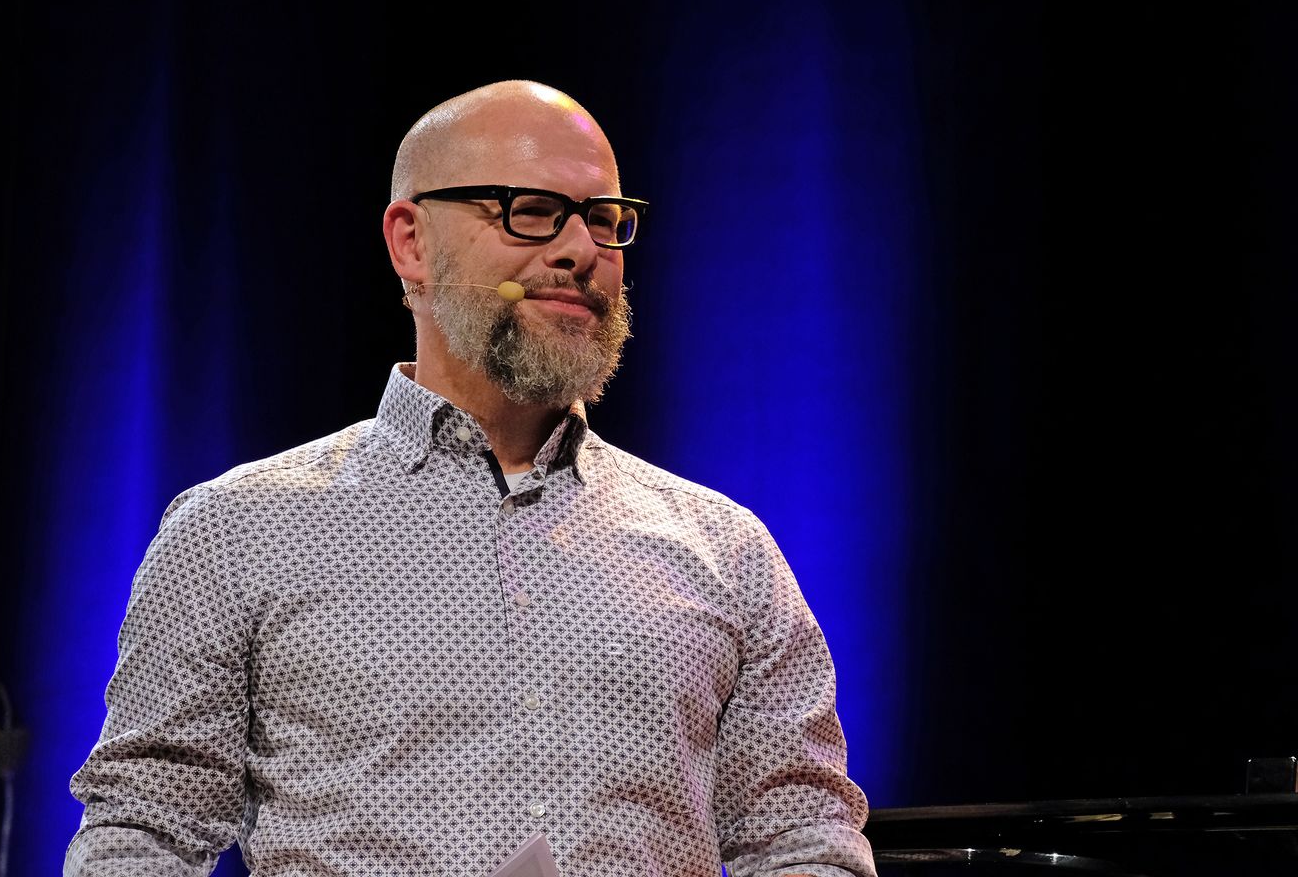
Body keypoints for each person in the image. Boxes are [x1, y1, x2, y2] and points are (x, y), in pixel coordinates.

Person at [65, 80, 877, 877]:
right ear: (411, 243)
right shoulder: (234, 531)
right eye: (532, 211)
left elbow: (804, 840)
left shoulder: (727, 551)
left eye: (604, 219)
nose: (581, 251)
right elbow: (144, 832)